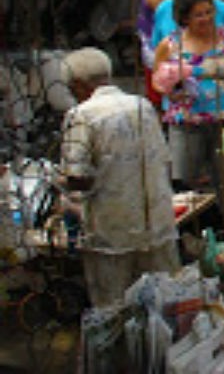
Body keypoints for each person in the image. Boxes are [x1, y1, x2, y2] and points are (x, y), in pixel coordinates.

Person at [60, 47, 178, 308]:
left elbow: (77, 177)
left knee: (113, 306)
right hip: (157, 221)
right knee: (164, 303)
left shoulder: (81, 115)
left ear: (78, 85)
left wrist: (58, 182)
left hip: (112, 229)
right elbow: (164, 159)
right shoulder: (142, 106)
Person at [152, 0, 224, 222]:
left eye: (208, 12)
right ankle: (194, 234)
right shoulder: (170, 45)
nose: (205, 19)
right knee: (184, 181)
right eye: (198, 15)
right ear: (184, 19)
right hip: (187, 119)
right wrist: (171, 87)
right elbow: (157, 79)